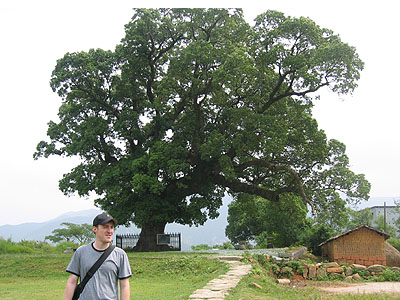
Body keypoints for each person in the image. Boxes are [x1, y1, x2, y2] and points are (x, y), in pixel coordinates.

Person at [63, 212, 131, 300]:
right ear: (95, 229)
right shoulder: (81, 252)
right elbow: (72, 282)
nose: (109, 231)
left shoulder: (120, 255)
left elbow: (124, 285)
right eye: (105, 227)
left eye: (111, 227)